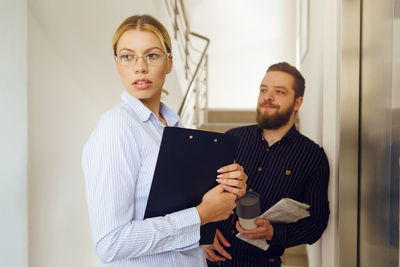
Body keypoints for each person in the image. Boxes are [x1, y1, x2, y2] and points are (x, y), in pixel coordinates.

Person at [81, 14, 247, 267]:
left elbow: (181, 213)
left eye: (152, 55)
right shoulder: (117, 127)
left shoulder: (175, 129)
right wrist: (200, 216)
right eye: (128, 56)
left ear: (169, 63)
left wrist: (229, 188)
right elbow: (110, 243)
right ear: (117, 65)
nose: (140, 67)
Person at [204, 62, 330, 267]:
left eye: (279, 91)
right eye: (263, 90)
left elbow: (316, 224)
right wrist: (204, 233)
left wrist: (274, 232)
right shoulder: (232, 138)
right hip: (211, 260)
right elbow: (200, 193)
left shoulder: (313, 156)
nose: (267, 97)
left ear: (297, 102)